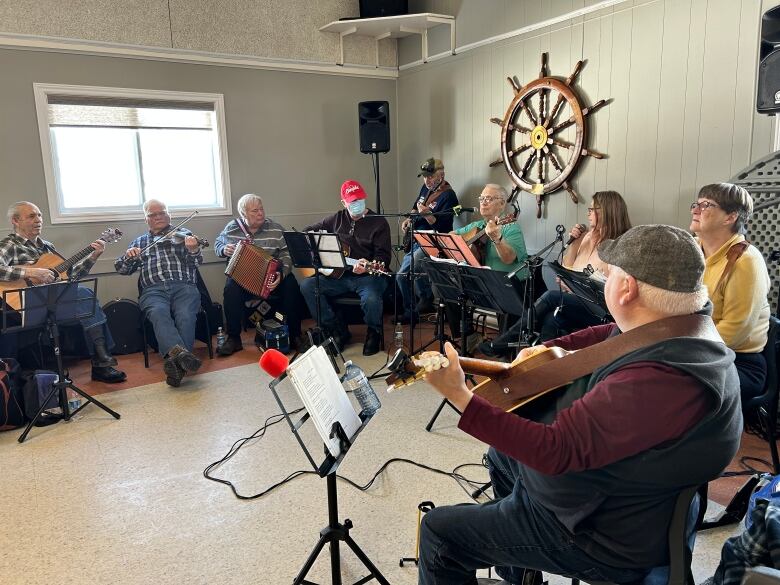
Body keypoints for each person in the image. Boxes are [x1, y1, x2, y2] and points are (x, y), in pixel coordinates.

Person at [418, 224, 742, 585]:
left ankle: (516, 540)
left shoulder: (660, 382)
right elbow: (608, 337)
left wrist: (460, 396)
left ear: (627, 287)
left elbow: (555, 452)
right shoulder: (681, 325)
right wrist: (547, 352)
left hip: (600, 536)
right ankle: (519, 571)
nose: (606, 277)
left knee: (439, 534)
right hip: (621, 496)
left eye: (610, 273)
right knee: (501, 454)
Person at [481, 190, 632, 356]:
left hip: (599, 310)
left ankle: (502, 343)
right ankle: (544, 366)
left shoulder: (621, 245)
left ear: (607, 212)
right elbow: (567, 267)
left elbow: (615, 289)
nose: (588, 213)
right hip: (573, 302)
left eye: (592, 209)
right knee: (550, 320)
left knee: (551, 297)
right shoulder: (588, 236)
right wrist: (574, 241)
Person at [0, 202, 126, 383]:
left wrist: (93, 257)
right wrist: (31, 272)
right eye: (31, 216)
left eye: (40, 215)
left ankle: (101, 361)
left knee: (84, 295)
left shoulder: (48, 247)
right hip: (21, 307)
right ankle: (102, 362)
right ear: (15, 221)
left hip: (53, 303)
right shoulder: (9, 245)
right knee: (84, 294)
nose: (38, 220)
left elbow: (70, 276)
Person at [690, 182, 771, 404]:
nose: (696, 209)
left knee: (672, 387)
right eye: (696, 203)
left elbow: (735, 332)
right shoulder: (692, 249)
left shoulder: (746, 261)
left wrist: (681, 349)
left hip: (739, 362)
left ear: (730, 217)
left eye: (706, 205)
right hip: (695, 348)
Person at [115, 199, 204, 387]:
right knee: (157, 313)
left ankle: (176, 365)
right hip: (153, 290)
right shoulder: (139, 242)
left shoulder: (184, 235)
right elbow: (122, 269)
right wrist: (129, 257)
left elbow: (196, 262)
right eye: (152, 215)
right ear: (146, 219)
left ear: (169, 214)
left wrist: (194, 249)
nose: (158, 217)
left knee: (185, 314)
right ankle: (183, 357)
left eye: (162, 212)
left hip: (184, 286)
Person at [299, 180, 391, 356]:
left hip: (369, 276)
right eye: (352, 201)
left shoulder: (379, 223)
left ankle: (374, 331)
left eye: (359, 200)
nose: (357, 204)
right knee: (308, 286)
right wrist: (318, 244)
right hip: (340, 276)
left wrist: (367, 265)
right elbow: (308, 230)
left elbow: (383, 257)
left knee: (371, 298)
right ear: (344, 203)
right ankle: (335, 329)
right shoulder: (336, 219)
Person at [214, 194, 304, 356]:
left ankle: (295, 334)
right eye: (255, 211)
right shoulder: (232, 228)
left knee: (291, 285)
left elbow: (287, 253)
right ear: (243, 214)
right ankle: (234, 338)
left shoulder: (276, 229)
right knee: (230, 289)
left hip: (272, 279)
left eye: (261, 209)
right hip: (244, 279)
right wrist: (223, 249)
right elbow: (218, 243)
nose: (260, 213)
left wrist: (281, 274)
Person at [447, 183, 528, 352]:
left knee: (505, 291)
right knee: (446, 286)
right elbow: (451, 237)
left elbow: (509, 258)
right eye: (482, 198)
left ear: (502, 203)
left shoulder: (511, 227)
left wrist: (497, 239)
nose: (483, 202)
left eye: (489, 199)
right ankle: (469, 336)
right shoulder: (478, 226)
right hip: (484, 282)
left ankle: (506, 350)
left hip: (509, 284)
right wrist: (466, 243)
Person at [396, 158, 458, 324]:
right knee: (414, 275)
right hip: (417, 237)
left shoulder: (449, 195)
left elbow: (442, 226)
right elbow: (415, 206)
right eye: (425, 177)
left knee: (402, 276)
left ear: (441, 175)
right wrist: (409, 219)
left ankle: (411, 313)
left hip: (432, 241)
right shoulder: (425, 188)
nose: (427, 180)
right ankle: (425, 299)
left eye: (430, 177)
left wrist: (427, 215)